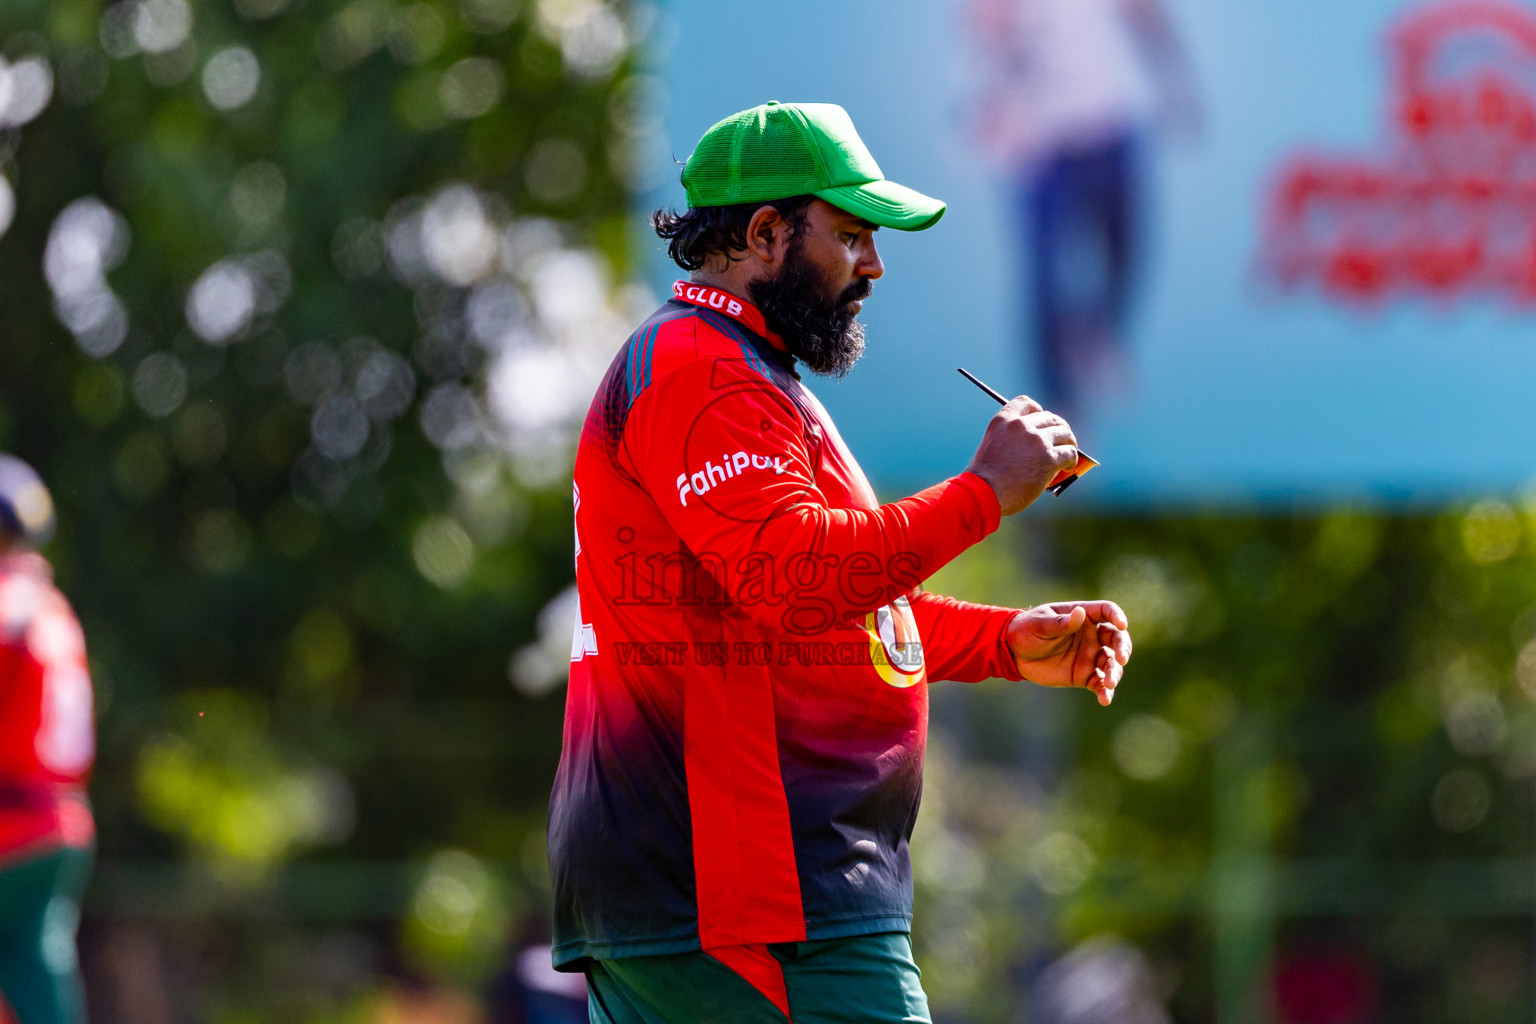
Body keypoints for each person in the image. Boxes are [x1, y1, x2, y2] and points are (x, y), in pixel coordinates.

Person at [548, 102, 1133, 1022]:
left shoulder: (738, 369)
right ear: (764, 233)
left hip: (735, 894)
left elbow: (830, 603)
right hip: (746, 900)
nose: (874, 264)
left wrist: (1002, 643)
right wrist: (985, 490)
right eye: (852, 235)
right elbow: (792, 580)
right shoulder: (702, 370)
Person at [970, 0, 1200, 414]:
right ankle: (1059, 405)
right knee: (1044, 281)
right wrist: (998, 98)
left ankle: (1100, 337)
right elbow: (991, 34)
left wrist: (1176, 82)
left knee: (1126, 248)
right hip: (1042, 140)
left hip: (1110, 122)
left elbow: (1147, 15)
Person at [0, 456, 95, 1024]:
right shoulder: (52, 605)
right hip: (61, 822)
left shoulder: (7, 601)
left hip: (11, 827)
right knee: (34, 976)